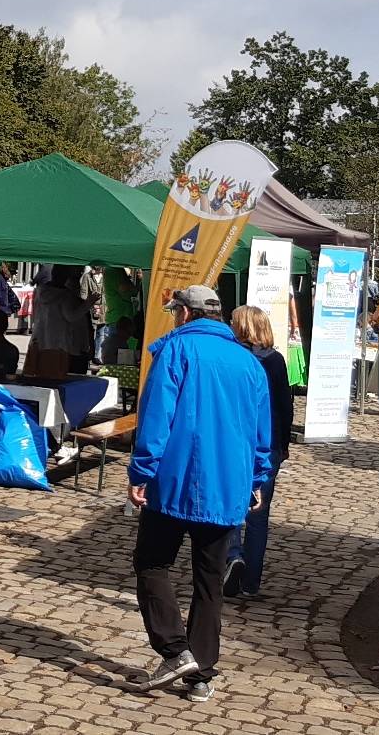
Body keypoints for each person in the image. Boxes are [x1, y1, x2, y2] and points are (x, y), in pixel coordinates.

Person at [127, 286, 272, 704]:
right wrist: (257, 479)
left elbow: (156, 416)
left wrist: (141, 470)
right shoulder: (249, 362)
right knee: (209, 580)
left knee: (152, 564)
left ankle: (175, 650)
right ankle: (201, 673)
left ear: (186, 314)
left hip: (176, 479)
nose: (173, 318)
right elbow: (261, 432)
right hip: (228, 483)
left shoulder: (176, 351)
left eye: (175, 313)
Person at [225, 305, 293, 600]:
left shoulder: (231, 358)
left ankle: (233, 556)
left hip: (235, 442)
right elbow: (284, 406)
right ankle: (251, 582)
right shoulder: (275, 360)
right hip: (268, 445)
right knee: (259, 514)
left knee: (228, 507)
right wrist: (283, 445)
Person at [31, 265, 95, 374]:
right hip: (63, 346)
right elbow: (71, 316)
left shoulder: (39, 292)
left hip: (42, 341)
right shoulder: (65, 295)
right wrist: (88, 303)